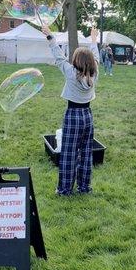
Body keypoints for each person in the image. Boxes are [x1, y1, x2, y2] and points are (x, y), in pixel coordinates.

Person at [42, 25, 100, 196]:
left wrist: (50, 36)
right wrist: (93, 38)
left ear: (76, 61)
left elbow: (59, 57)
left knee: (68, 153)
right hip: (87, 116)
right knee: (86, 152)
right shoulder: (94, 73)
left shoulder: (71, 73)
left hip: (73, 115)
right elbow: (95, 56)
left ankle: (65, 189)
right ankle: (84, 187)